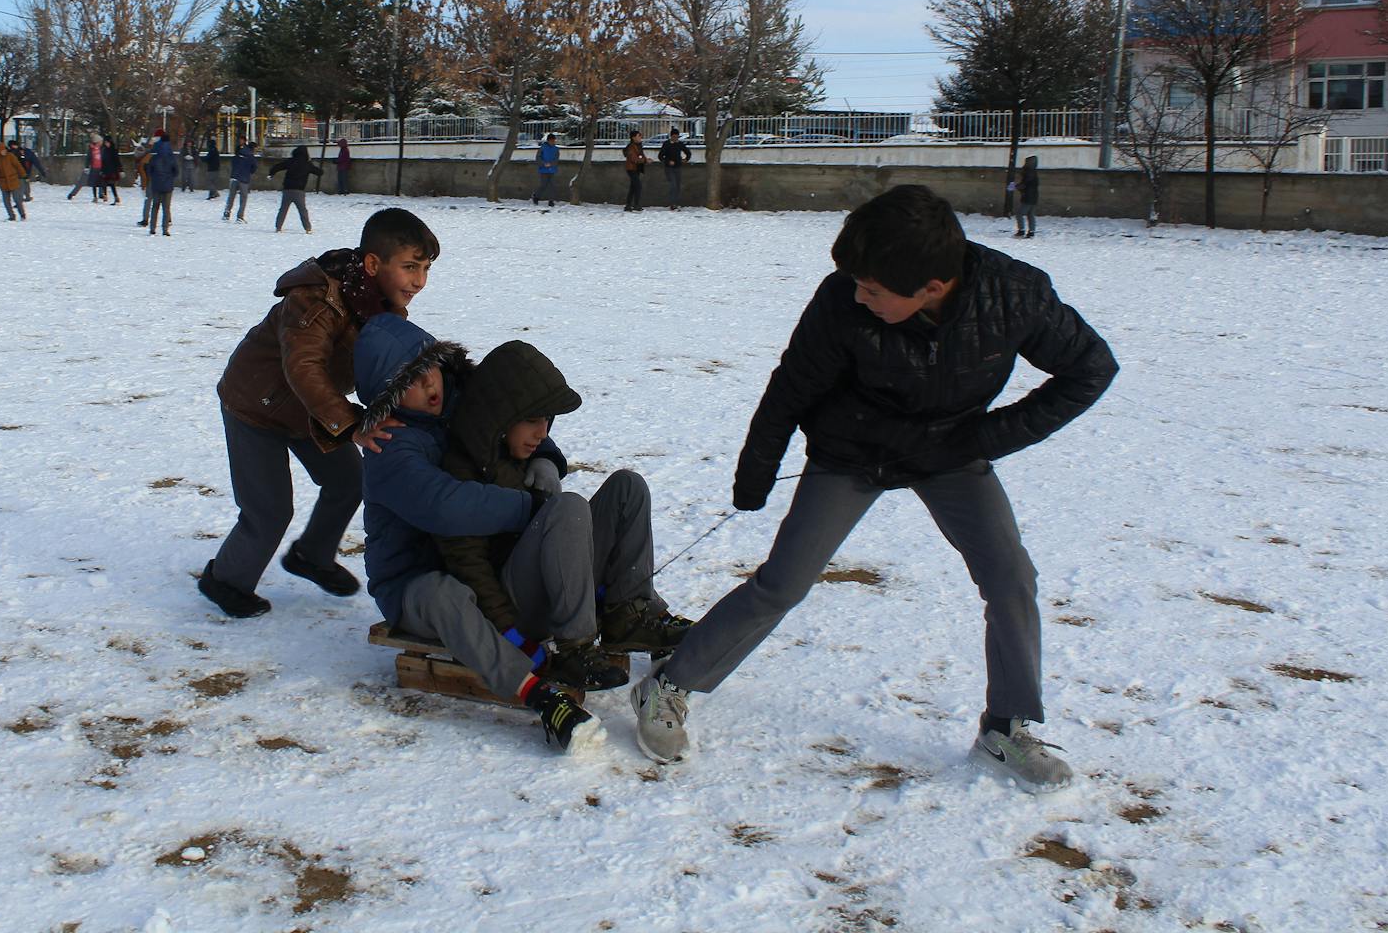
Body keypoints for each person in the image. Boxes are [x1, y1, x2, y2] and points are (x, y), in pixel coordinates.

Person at [629, 185, 1118, 790]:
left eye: (874, 291)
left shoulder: (1015, 295)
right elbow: (793, 385)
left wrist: (981, 440)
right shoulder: (843, 299)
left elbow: (1092, 368)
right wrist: (757, 467)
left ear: (933, 288)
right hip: (853, 452)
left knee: (1012, 580)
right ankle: (670, 684)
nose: (859, 295)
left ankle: (1006, 728)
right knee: (783, 582)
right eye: (856, 282)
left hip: (950, 452)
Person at [353, 316, 603, 755]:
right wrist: (529, 508)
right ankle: (537, 693)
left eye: (428, 369)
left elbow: (512, 413)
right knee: (443, 594)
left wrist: (546, 457)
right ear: (387, 398)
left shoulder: (457, 400)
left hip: (482, 561)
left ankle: (590, 635)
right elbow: (445, 506)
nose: (430, 387)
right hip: (413, 581)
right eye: (409, 383)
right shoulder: (389, 447)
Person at [200, 208, 441, 618]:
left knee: (351, 480)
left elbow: (386, 365)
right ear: (372, 264)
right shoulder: (315, 299)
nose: (419, 281)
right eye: (410, 267)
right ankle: (225, 580)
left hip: (309, 407)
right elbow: (304, 367)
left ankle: (311, 555)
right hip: (255, 407)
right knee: (270, 509)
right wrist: (350, 424)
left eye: (426, 268)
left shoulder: (382, 307)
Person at [438, 338, 692, 682]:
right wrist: (513, 636)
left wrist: (544, 459)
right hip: (516, 604)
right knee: (568, 506)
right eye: (531, 421)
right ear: (502, 418)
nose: (541, 434)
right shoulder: (461, 469)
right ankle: (574, 647)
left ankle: (627, 614)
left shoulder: (525, 454)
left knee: (627, 487)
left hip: (558, 583)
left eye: (546, 421)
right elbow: (469, 566)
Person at [268, 145, 324, 233]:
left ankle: (278, 227)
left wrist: (271, 173)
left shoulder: (290, 161)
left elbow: (278, 166)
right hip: (299, 190)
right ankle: (307, 228)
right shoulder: (307, 164)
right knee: (302, 210)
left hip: (287, 189)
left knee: (283, 209)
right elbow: (319, 172)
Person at [143, 129, 178, 236]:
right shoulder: (171, 155)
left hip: (156, 184)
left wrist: (154, 177)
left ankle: (152, 228)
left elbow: (149, 169)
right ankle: (165, 229)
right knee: (166, 208)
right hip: (168, 185)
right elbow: (176, 171)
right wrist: (170, 177)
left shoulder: (155, 154)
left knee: (155, 206)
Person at [0, 141, 28, 220]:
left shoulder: (10, 156)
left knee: (17, 199)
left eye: (4, 150)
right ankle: (11, 216)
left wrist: (24, 175)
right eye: (1, 150)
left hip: (13, 180)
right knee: (6, 201)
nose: (3, 152)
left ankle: (22, 214)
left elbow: (18, 166)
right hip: (3, 182)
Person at [221, 141, 258, 223]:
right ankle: (240, 217)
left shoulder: (238, 153)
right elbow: (254, 167)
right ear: (254, 148)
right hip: (244, 179)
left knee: (231, 196)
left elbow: (233, 162)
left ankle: (226, 213)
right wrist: (248, 172)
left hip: (234, 177)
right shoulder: (251, 156)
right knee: (243, 198)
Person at [658, 128, 691, 209]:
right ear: (671, 136)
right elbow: (660, 156)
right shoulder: (666, 144)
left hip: (678, 167)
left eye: (677, 137)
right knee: (673, 185)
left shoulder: (680, 144)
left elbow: (688, 152)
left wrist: (686, 159)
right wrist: (668, 161)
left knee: (678, 185)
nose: (675, 138)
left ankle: (676, 202)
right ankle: (672, 204)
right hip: (669, 168)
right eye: (674, 137)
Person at [10, 139, 46, 214]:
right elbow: (36, 162)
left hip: (22, 173)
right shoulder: (21, 152)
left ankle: (21, 200)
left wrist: (42, 171)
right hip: (23, 172)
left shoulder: (18, 153)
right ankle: (26, 196)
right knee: (24, 185)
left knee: (21, 187)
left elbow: (35, 162)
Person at [68, 134, 103, 201]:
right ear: (97, 142)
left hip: (99, 167)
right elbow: (88, 158)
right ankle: (72, 194)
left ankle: (101, 194)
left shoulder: (102, 149)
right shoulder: (92, 149)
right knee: (82, 181)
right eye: (100, 141)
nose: (101, 142)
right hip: (92, 168)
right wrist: (87, 167)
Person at [530, 133, 560, 206]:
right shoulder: (543, 148)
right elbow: (538, 157)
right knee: (543, 185)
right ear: (548, 140)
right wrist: (544, 163)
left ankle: (551, 201)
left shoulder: (556, 149)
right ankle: (536, 197)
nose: (553, 142)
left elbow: (556, 158)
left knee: (552, 185)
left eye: (554, 140)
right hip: (543, 169)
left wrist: (551, 164)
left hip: (552, 169)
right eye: (551, 140)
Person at [1014, 156, 1040, 239]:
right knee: (1030, 214)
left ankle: (1021, 230)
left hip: (1028, 197)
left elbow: (1025, 184)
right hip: (1034, 197)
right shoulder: (1034, 172)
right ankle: (1031, 231)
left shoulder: (1028, 172)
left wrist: (1016, 187)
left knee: (1019, 214)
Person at [622, 130, 646, 212]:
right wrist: (644, 160)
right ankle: (636, 205)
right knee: (638, 186)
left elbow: (641, 155)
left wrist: (645, 159)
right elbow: (634, 158)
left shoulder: (639, 145)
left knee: (633, 187)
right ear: (633, 137)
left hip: (637, 168)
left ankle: (628, 205)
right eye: (638, 136)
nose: (640, 138)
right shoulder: (631, 147)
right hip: (631, 168)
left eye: (640, 136)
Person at [99, 135, 122, 206]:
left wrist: (120, 169)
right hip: (106, 170)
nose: (106, 144)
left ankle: (116, 197)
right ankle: (105, 195)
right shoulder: (104, 150)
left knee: (112, 184)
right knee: (103, 183)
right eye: (105, 142)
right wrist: (102, 169)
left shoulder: (113, 150)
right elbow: (102, 161)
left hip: (112, 170)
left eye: (107, 142)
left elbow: (117, 160)